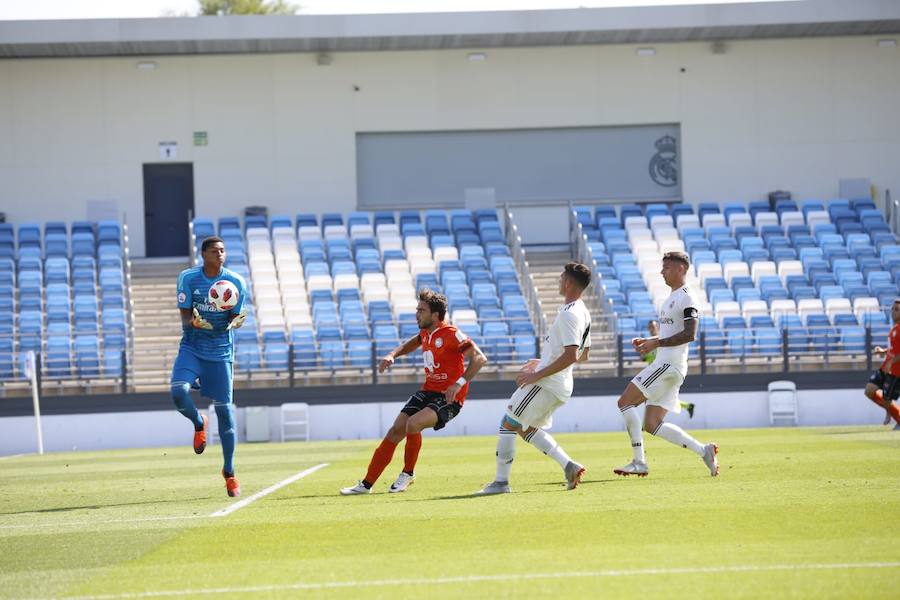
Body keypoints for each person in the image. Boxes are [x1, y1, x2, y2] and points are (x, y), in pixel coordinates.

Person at [340, 289, 488, 495]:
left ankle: (408, 473)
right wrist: (392, 355)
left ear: (435, 315)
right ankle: (366, 485)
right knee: (395, 430)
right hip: (428, 391)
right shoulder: (426, 333)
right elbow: (413, 342)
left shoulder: (452, 333)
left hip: (450, 397)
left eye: (421, 310)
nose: (417, 314)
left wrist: (458, 384)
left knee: (413, 424)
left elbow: (480, 358)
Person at [477, 262, 593, 495]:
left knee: (508, 422)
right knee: (523, 427)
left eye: (561, 278)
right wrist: (542, 362)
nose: (559, 281)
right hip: (558, 383)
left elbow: (572, 355)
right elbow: (584, 355)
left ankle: (501, 483)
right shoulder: (581, 311)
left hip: (547, 383)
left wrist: (536, 374)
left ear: (568, 283)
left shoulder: (570, 315)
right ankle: (569, 465)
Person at [614, 251, 718, 478]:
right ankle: (704, 451)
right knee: (652, 424)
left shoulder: (688, 297)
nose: (662, 272)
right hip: (671, 366)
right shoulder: (671, 297)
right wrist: (650, 342)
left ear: (681, 269)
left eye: (667, 268)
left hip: (668, 365)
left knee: (624, 403)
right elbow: (671, 332)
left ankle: (639, 461)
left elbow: (690, 334)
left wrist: (656, 343)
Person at [172, 236, 248, 497]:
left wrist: (236, 321)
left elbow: (235, 316)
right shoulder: (188, 278)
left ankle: (229, 473)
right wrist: (192, 324)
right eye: (215, 251)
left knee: (225, 413)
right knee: (178, 392)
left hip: (220, 352)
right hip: (192, 347)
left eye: (223, 250)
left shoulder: (236, 282)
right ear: (203, 254)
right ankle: (198, 422)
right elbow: (184, 316)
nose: (220, 254)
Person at [643, 319, 695, 418]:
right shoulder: (650, 341)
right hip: (652, 373)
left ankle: (646, 423)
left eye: (653, 327)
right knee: (663, 398)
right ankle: (688, 406)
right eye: (649, 327)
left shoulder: (662, 340)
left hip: (662, 373)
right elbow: (644, 357)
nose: (651, 329)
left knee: (649, 396)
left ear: (657, 327)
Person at [865, 299, 900, 430]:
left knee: (887, 398)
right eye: (893, 309)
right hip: (886, 368)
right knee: (869, 390)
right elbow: (894, 348)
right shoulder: (894, 329)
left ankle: (894, 416)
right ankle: (890, 413)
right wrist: (883, 351)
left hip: (895, 371)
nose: (893, 312)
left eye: (897, 310)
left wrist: (892, 361)